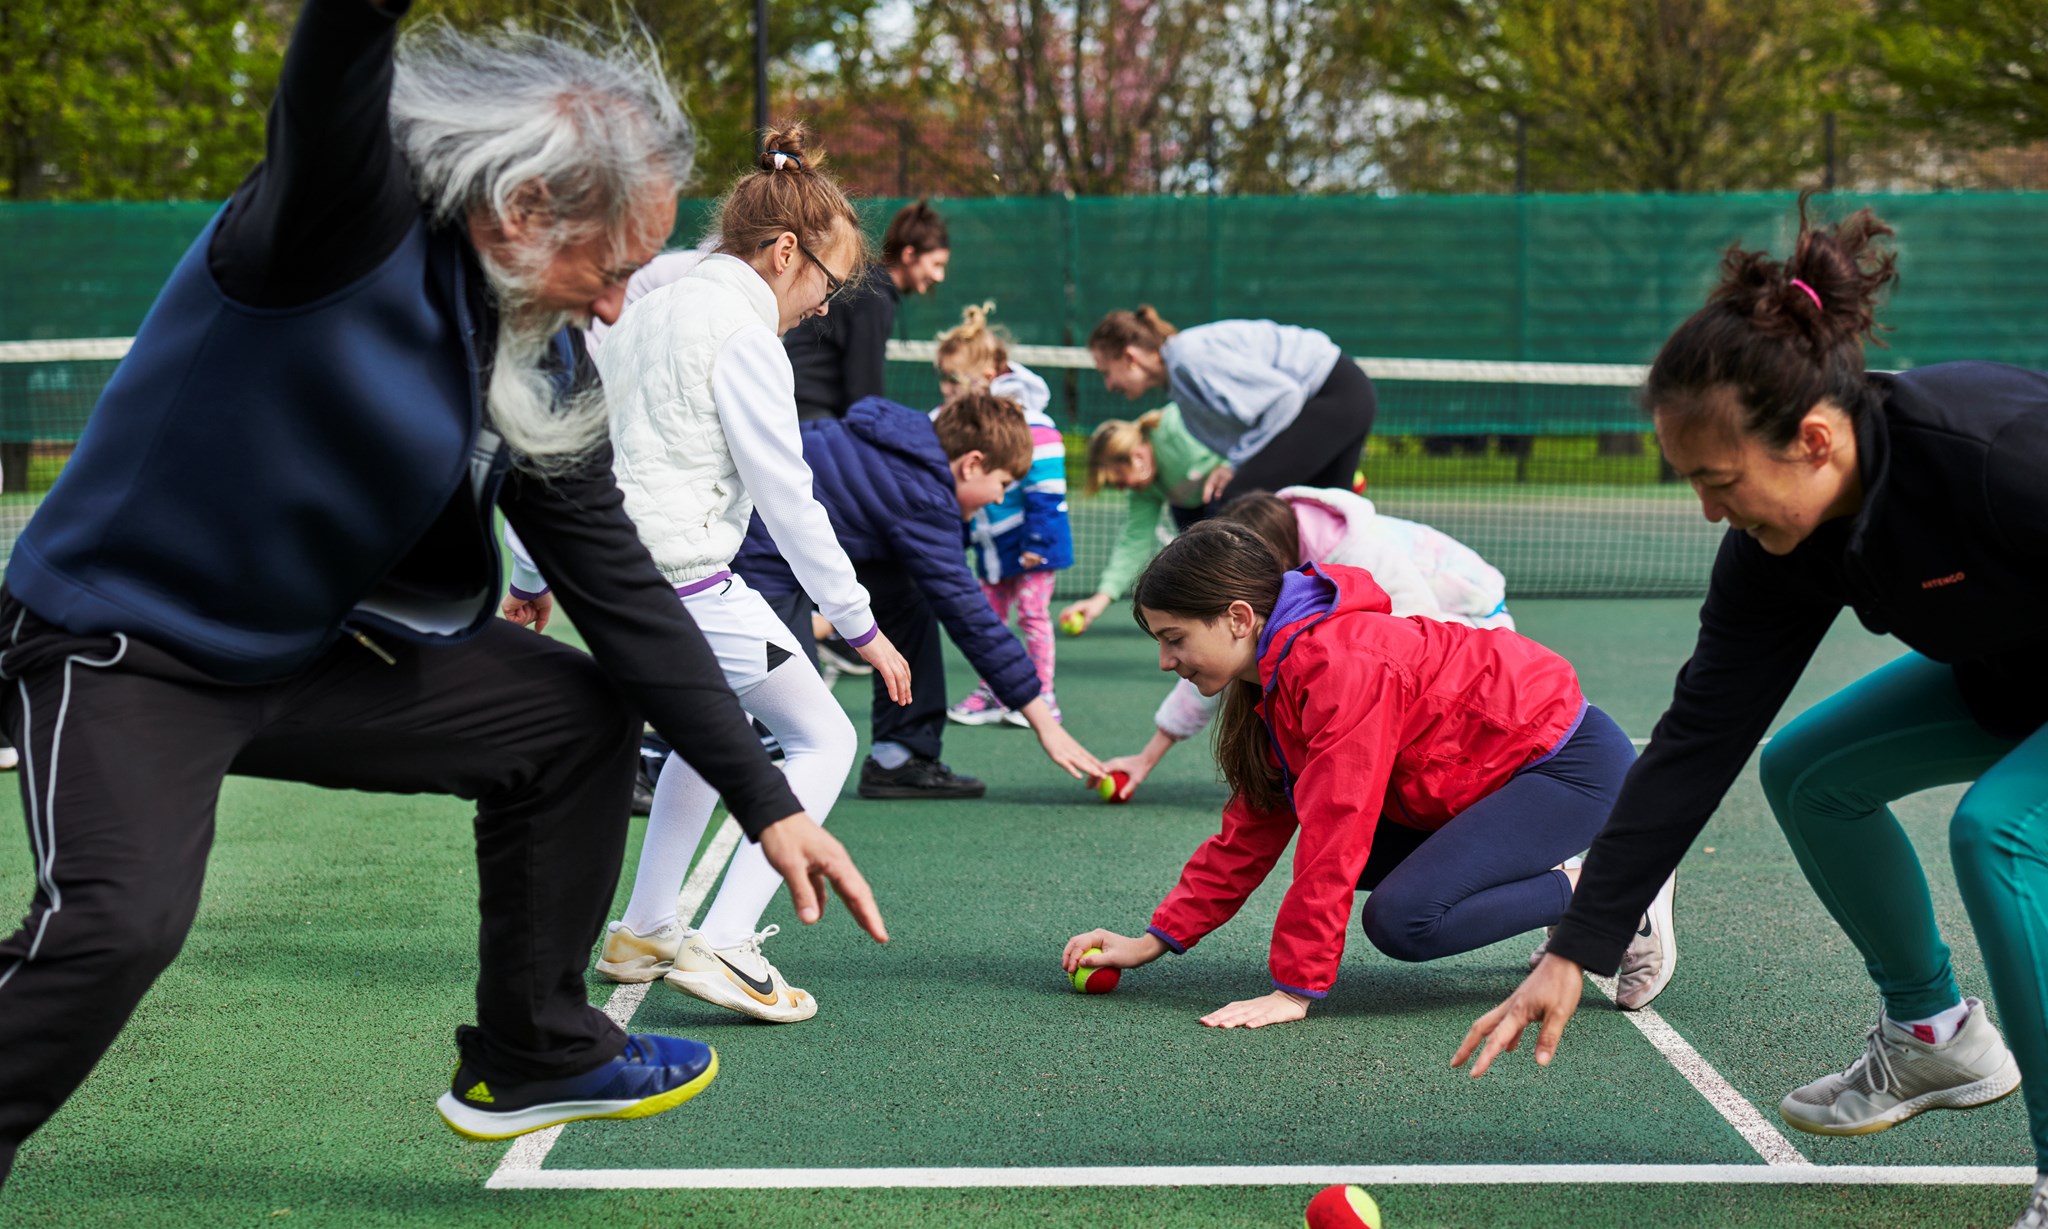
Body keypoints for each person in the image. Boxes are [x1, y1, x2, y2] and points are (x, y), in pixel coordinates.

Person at [0, 1, 888, 1174]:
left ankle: (534, 1052)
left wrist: (767, 803)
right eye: (612, 266)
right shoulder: (335, 220)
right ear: (522, 209)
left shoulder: (541, 346)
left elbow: (619, 586)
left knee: (570, 715)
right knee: (118, 924)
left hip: (313, 652)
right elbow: (338, 57)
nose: (620, 303)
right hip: (130, 643)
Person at [1450, 201, 2045, 1229]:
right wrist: (1575, 945)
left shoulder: (1998, 456)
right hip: (2013, 674)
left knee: (1994, 828)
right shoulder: (1781, 549)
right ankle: (1931, 1033)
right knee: (1805, 771)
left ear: (1812, 439)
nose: (1707, 510)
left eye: (1719, 481)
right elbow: (1695, 738)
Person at [499, 123, 913, 1026]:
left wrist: (531, 574)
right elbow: (789, 494)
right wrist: (860, 620)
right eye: (828, 285)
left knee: (706, 724)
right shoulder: (745, 336)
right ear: (783, 251)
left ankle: (646, 928)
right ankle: (724, 942)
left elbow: (561, 438)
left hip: (607, 574)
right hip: (682, 581)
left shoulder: (648, 306)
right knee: (823, 740)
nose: (826, 307)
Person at [1061, 523, 1660, 1027]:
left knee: (1404, 922)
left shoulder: (1334, 665)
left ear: (1239, 618)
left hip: (1565, 767)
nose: (1166, 662)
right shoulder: (1272, 674)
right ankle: (1575, 881)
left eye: (1174, 639)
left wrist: (1293, 989)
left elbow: (1336, 826)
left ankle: (1614, 890)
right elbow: (1250, 829)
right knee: (1367, 864)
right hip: (1488, 779)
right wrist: (1154, 940)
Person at [733, 395, 1105, 798]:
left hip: (786, 540)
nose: (999, 498)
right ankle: (661, 758)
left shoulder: (910, 444)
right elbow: (970, 618)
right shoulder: (922, 494)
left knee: (910, 595)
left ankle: (900, 758)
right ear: (973, 463)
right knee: (793, 711)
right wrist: (1044, 723)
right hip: (759, 549)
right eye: (1002, 484)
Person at [1099, 487, 1515, 802]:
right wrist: (1146, 757)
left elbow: (1419, 638)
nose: (1166, 660)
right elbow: (1218, 655)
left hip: (1476, 618)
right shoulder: (1272, 579)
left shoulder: (1363, 555)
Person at [932, 304, 1075, 728]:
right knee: (987, 622)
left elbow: (1048, 491)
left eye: (954, 380)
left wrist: (1038, 544)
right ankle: (992, 692)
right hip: (991, 548)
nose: (946, 390)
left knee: (1032, 615)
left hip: (1033, 548)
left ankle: (1043, 695)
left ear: (989, 374)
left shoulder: (1036, 427)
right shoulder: (958, 424)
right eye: (944, 379)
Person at [1087, 306, 1376, 508]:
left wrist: (1235, 466)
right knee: (1323, 516)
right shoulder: (1179, 381)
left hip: (1335, 393)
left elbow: (1284, 397)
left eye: (1106, 372)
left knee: (1237, 500)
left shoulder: (1190, 358)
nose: (1109, 385)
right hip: (1339, 395)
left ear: (1130, 357)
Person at [784, 197, 951, 423]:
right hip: (807, 413)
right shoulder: (874, 298)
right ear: (909, 255)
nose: (939, 277)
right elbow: (863, 387)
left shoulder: (873, 289)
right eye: (936, 264)